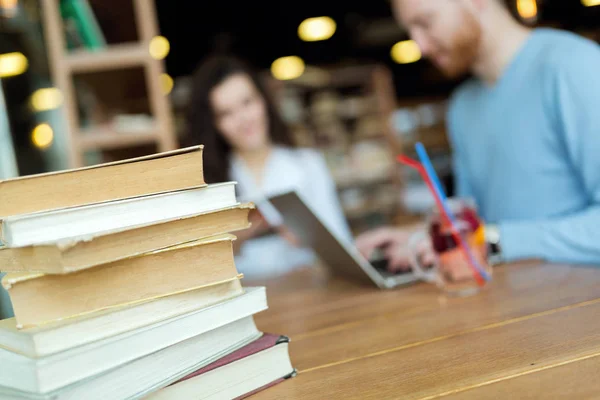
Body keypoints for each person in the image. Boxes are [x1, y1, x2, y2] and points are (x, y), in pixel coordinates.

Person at [357, 0, 600, 270]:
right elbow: (475, 222)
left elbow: (490, 234)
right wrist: (422, 237)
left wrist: (494, 240)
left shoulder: (576, 68)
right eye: (410, 30)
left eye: (426, 23)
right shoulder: (463, 105)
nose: (420, 46)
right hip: (508, 300)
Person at [186, 54, 353, 279]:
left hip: (309, 296)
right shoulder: (209, 184)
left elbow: (344, 248)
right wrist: (233, 243)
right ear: (214, 125)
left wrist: (311, 241)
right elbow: (196, 269)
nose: (243, 119)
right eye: (226, 113)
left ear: (263, 100)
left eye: (247, 102)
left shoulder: (308, 164)